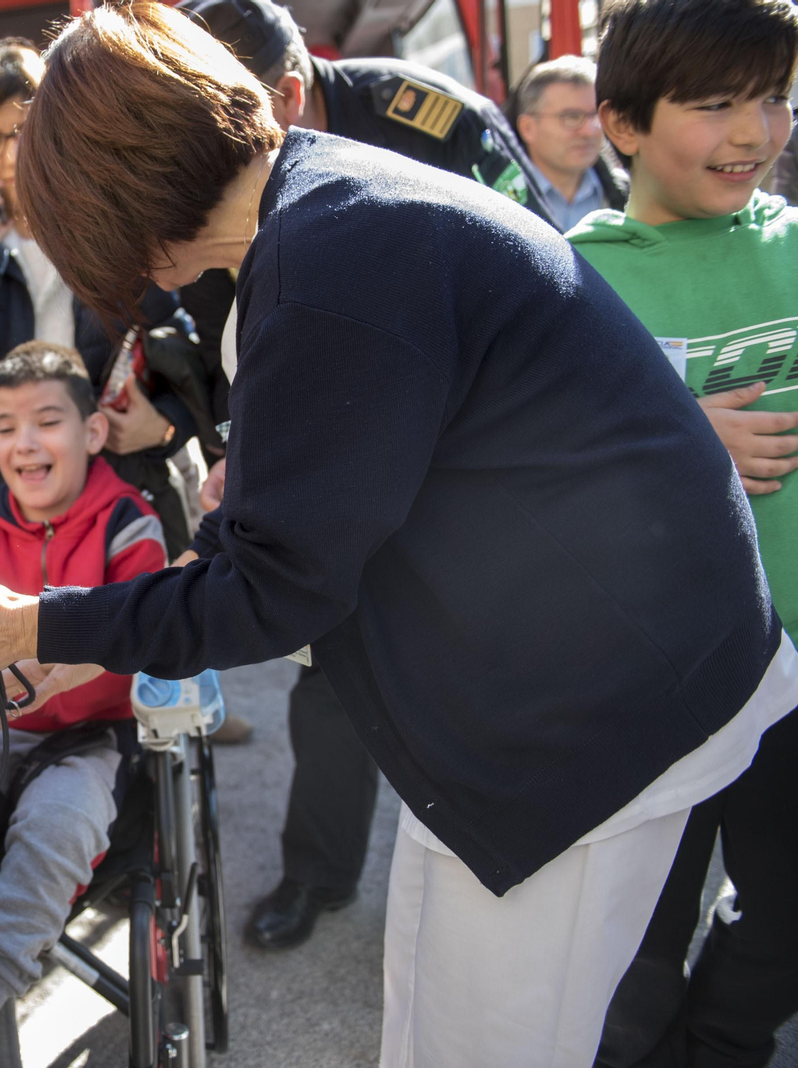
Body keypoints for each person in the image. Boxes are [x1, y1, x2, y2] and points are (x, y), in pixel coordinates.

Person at [0, 6, 798, 1066]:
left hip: (588, 720)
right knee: (435, 1016)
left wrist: (29, 624)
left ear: (127, 207)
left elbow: (273, 588)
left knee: (493, 1045)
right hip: (562, 679)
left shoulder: (329, 266)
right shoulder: (329, 199)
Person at [176, 0, 557, 939]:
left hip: (471, 450)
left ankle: (506, 889)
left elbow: (547, 267)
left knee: (490, 670)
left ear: (290, 96)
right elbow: (217, 328)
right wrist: (242, 446)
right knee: (335, 677)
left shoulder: (428, 118)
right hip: (335, 445)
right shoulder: (203, 158)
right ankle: (319, 876)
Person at [562, 0, 798, 1062]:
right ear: (620, 124)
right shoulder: (568, 279)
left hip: (791, 667)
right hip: (651, 683)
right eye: (715, 105)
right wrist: (674, 434)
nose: (753, 132)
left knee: (784, 915)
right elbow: (519, 478)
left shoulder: (791, 245)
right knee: (632, 947)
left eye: (773, 98)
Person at [0, 341, 165, 1045]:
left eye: (46, 422)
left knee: (56, 832)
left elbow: (142, 649)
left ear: (92, 432)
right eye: (4, 426)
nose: (23, 443)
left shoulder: (128, 523)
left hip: (85, 742)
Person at [0, 38, 203, 552]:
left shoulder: (109, 230)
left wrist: (169, 423)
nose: (12, 153)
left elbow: (187, 347)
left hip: (110, 498)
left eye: (23, 127)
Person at [510, 56, 629, 232]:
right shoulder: (498, 201)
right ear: (528, 128)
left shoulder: (629, 194)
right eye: (572, 117)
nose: (590, 130)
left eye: (596, 115)